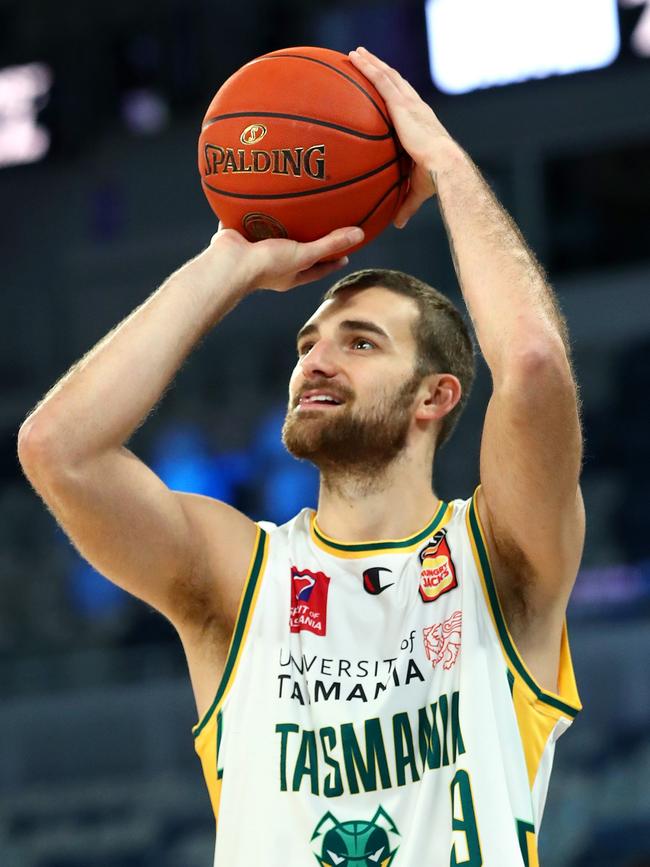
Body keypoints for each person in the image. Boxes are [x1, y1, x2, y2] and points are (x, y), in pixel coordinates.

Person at [18, 47, 584, 866]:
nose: (316, 361)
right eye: (308, 342)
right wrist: (228, 263)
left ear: (436, 396)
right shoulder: (237, 577)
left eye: (360, 342)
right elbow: (56, 449)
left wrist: (447, 164)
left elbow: (532, 364)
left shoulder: (502, 562)